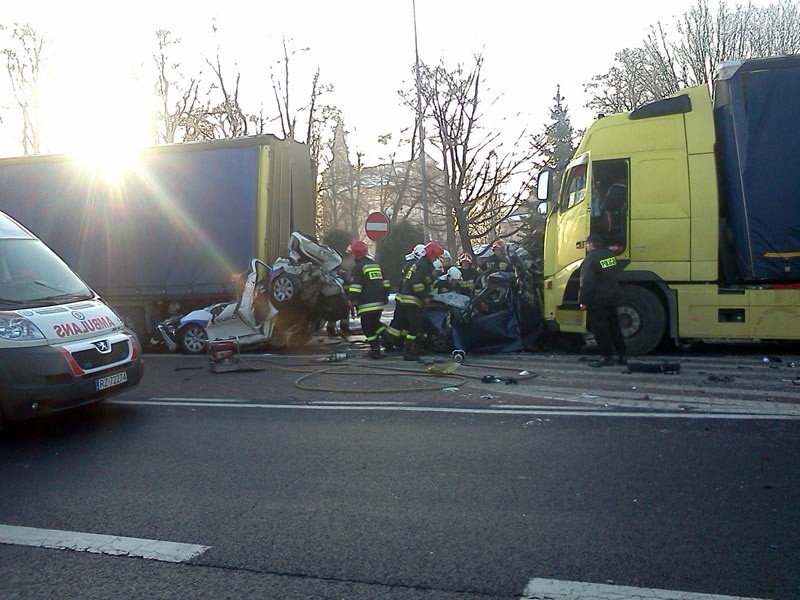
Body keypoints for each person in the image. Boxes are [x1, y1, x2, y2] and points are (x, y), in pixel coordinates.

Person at [386, 240, 444, 361]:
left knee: (408, 324)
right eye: (436, 256)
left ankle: (398, 345)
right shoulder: (424, 266)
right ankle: (408, 351)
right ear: (432, 255)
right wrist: (424, 297)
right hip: (412, 300)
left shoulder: (420, 263)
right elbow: (416, 283)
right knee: (415, 326)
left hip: (407, 299)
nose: (436, 259)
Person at [578, 233, 627, 367]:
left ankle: (606, 356)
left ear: (592, 244)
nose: (587, 246)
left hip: (597, 300)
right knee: (614, 327)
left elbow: (587, 282)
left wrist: (583, 301)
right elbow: (614, 273)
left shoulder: (591, 259)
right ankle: (622, 355)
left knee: (601, 329)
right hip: (612, 297)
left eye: (587, 243)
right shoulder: (610, 256)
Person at [347, 240, 391, 359]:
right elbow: (386, 282)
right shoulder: (375, 265)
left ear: (356, 253)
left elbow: (356, 287)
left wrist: (351, 300)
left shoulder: (358, 268)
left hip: (367, 304)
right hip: (378, 303)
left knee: (367, 327)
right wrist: (385, 296)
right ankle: (389, 341)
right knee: (376, 323)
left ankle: (375, 349)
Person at [384, 243, 426, 351]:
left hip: (402, 296)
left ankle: (396, 342)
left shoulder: (410, 263)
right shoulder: (414, 265)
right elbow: (414, 282)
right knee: (399, 322)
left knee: (402, 322)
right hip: (404, 298)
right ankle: (390, 341)